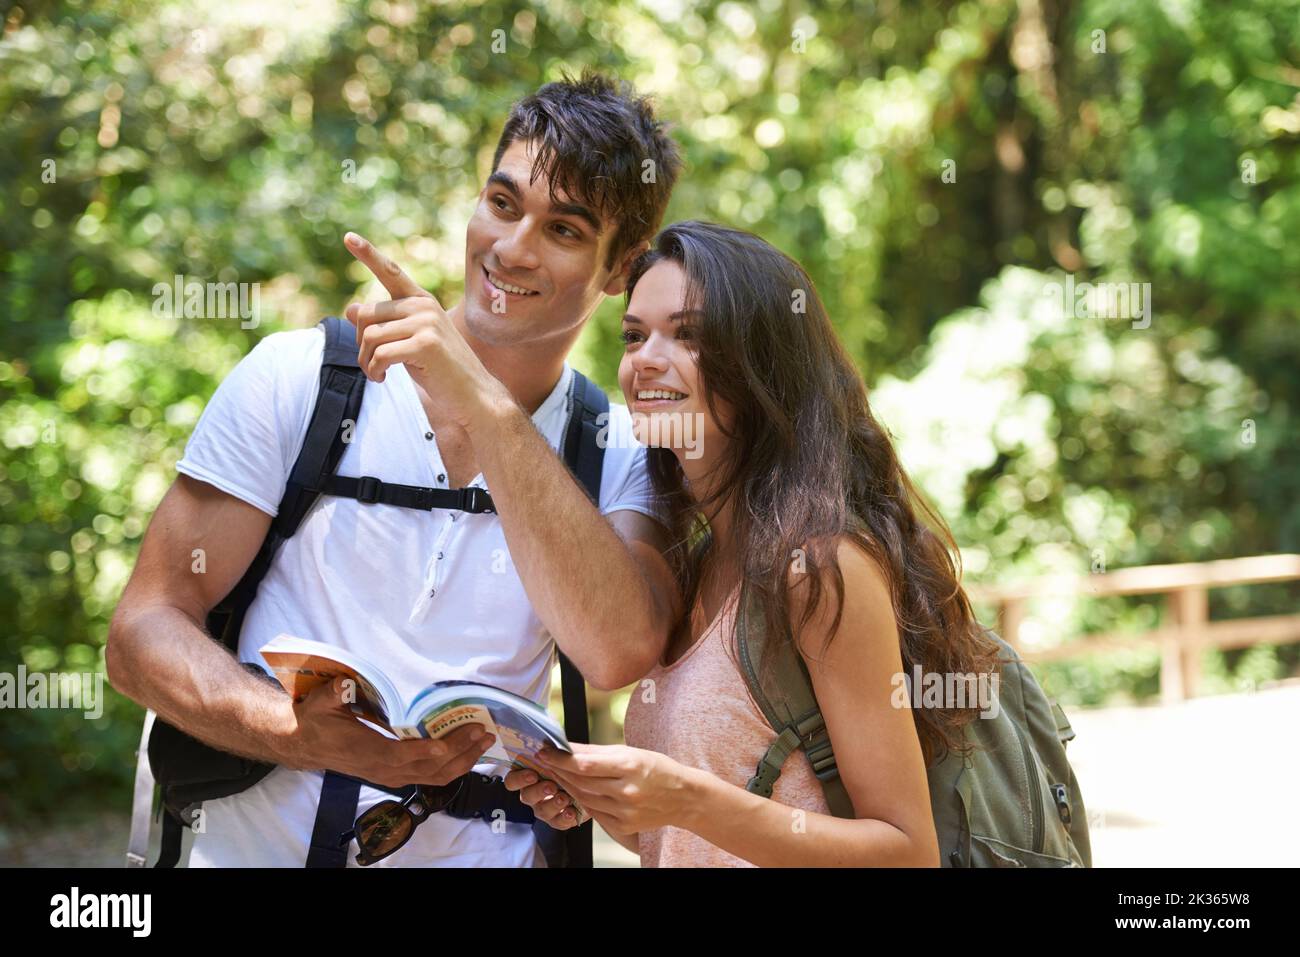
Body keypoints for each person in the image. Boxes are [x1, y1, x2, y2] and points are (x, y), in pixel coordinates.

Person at [106, 72, 684, 867]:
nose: (511, 248)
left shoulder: (618, 449)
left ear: (621, 270)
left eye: (566, 230)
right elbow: (140, 632)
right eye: (504, 204)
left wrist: (486, 406)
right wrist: (290, 729)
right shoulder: (299, 377)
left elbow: (619, 651)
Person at [506, 221, 1004, 866]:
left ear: (760, 362)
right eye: (634, 335)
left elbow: (906, 853)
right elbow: (709, 827)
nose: (645, 358)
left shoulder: (821, 568)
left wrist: (686, 799)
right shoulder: (691, 564)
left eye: (688, 335)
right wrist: (607, 800)